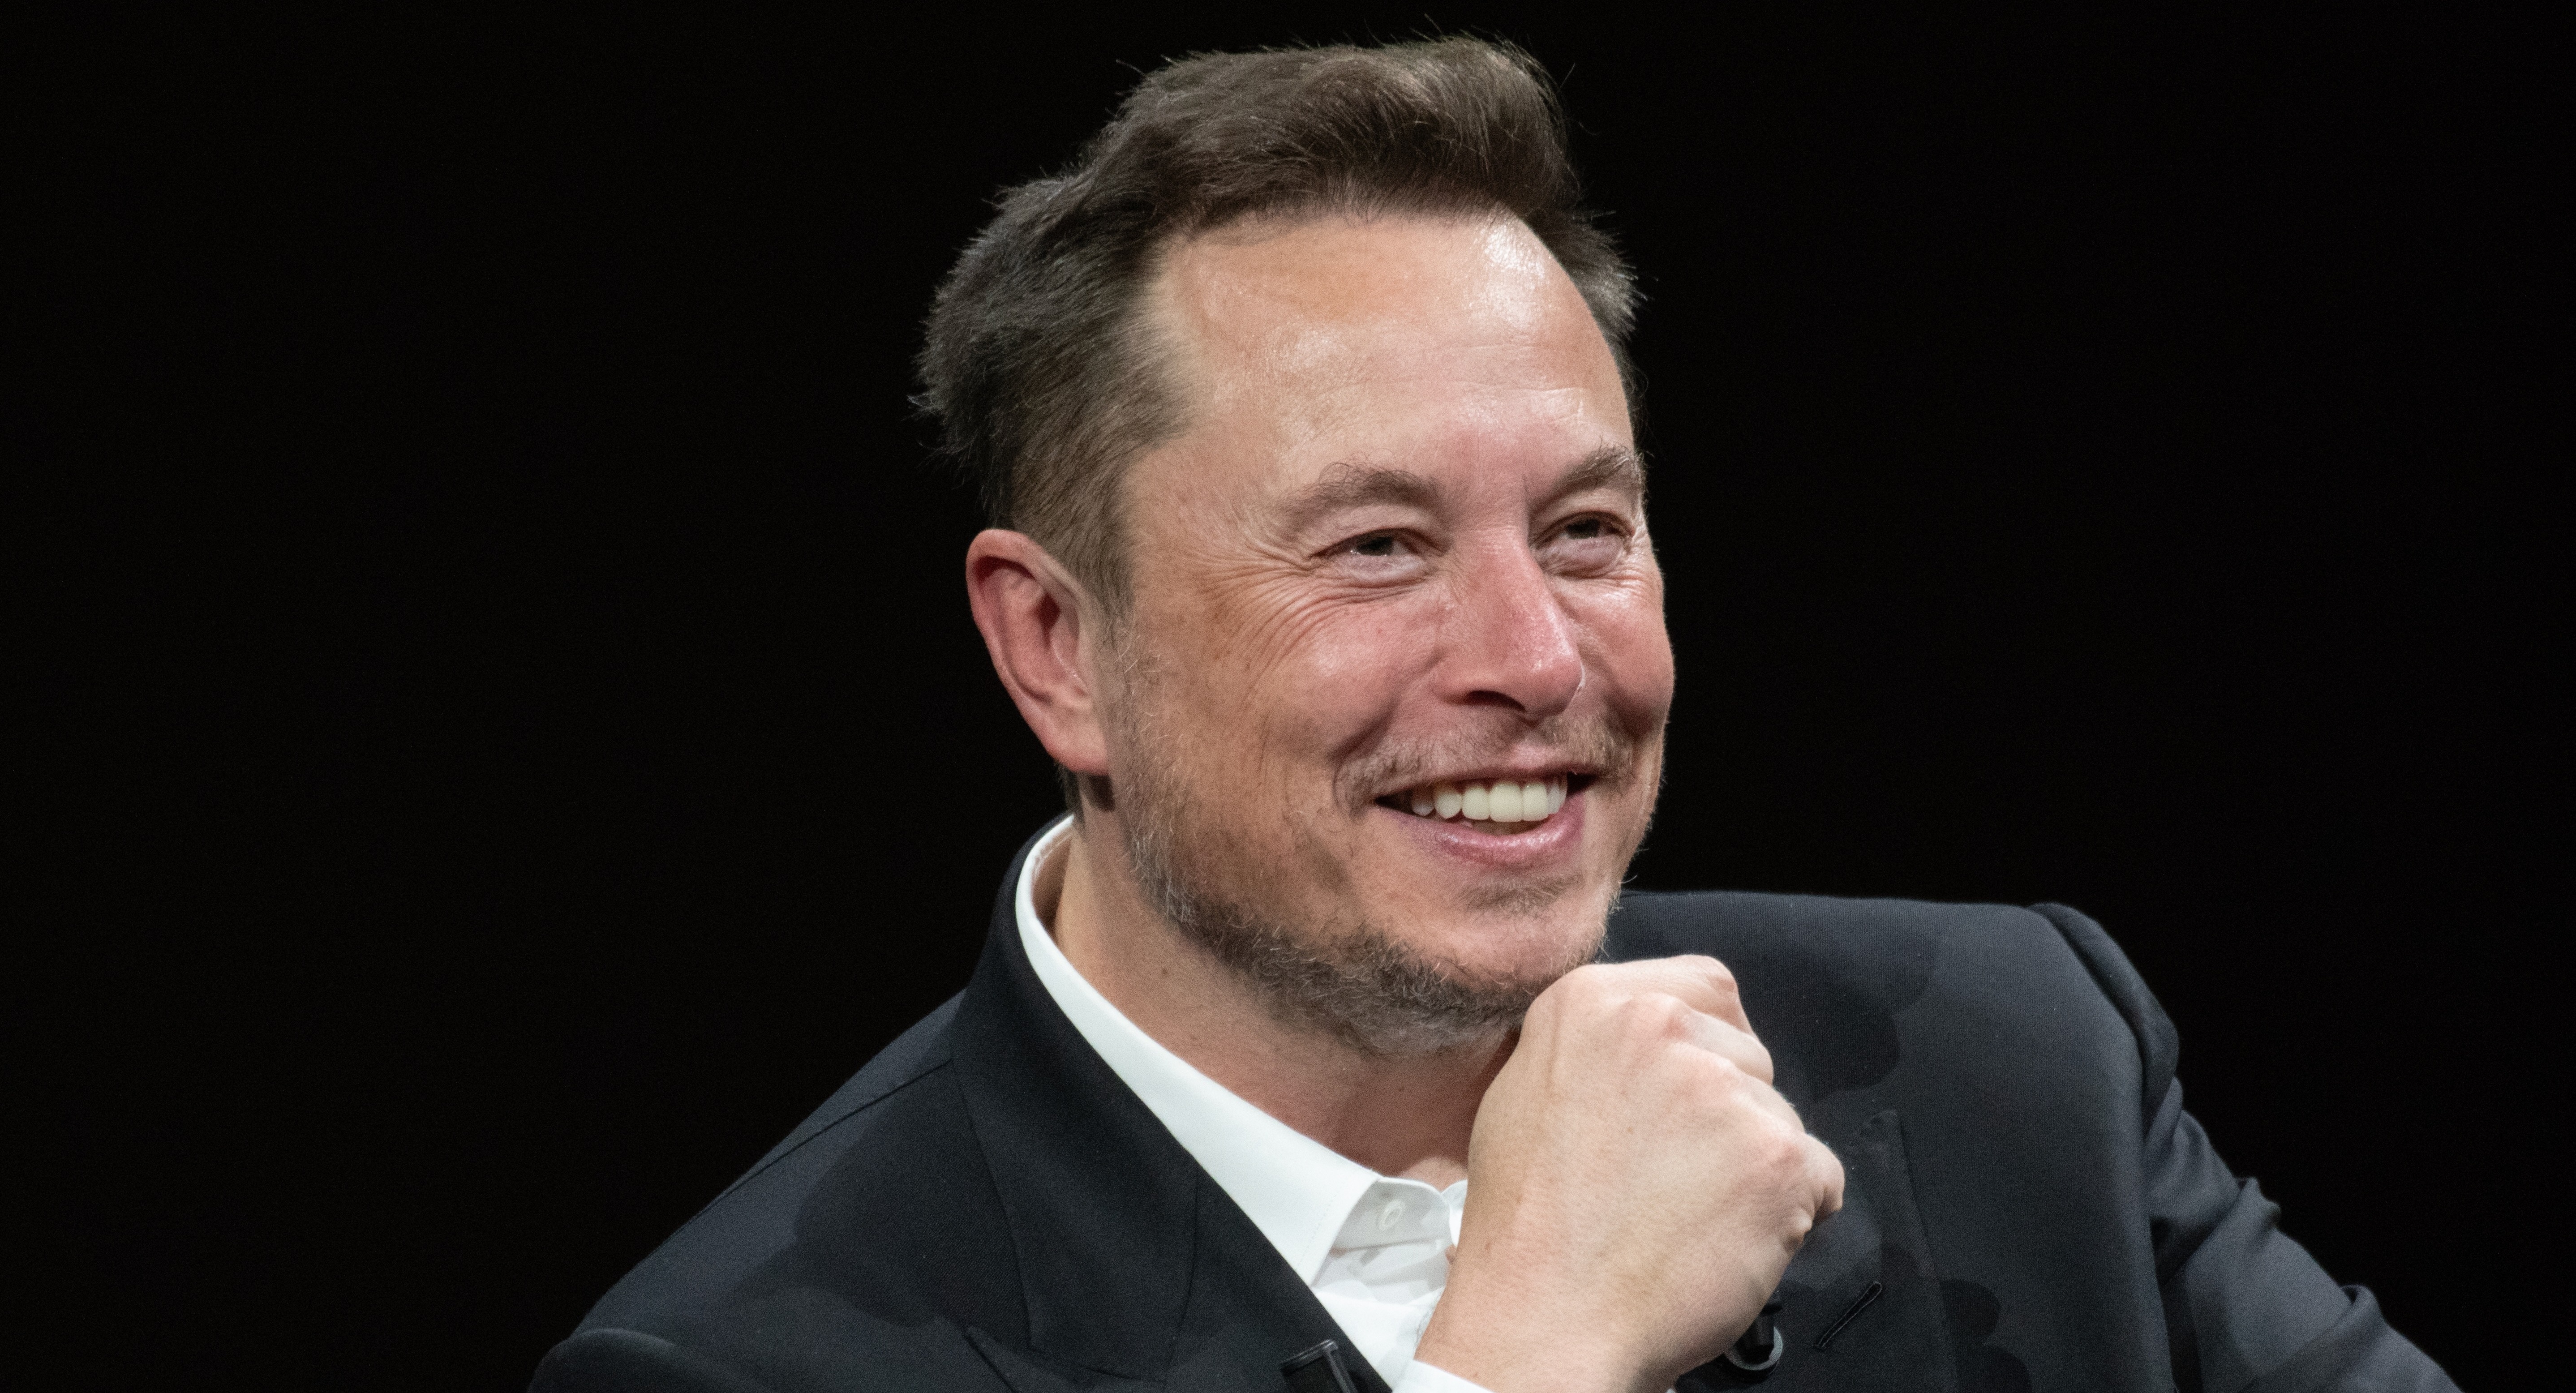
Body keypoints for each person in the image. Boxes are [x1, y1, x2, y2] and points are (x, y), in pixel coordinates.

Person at [536, 38, 2459, 1393]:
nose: (1536, 658)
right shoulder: (753, 1356)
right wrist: (1527, 1360)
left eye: (1586, 531)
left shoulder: (2010, 1069)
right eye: (1376, 547)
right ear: (1057, 647)